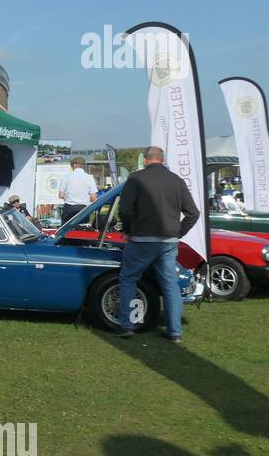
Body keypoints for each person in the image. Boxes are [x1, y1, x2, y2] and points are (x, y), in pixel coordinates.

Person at [115, 146, 200, 344]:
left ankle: (125, 326)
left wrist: (128, 230)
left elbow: (125, 209)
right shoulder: (176, 181)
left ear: (145, 160)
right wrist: (178, 233)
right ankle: (175, 332)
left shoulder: (136, 179)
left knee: (128, 278)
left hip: (141, 239)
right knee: (170, 285)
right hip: (168, 241)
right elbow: (193, 213)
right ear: (162, 160)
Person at [58, 156, 98, 223]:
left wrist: (70, 197)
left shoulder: (66, 176)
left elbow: (61, 195)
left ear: (74, 165)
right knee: (82, 230)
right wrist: (85, 198)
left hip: (69, 208)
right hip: (83, 208)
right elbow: (94, 197)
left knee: (66, 231)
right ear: (83, 166)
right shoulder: (89, 177)